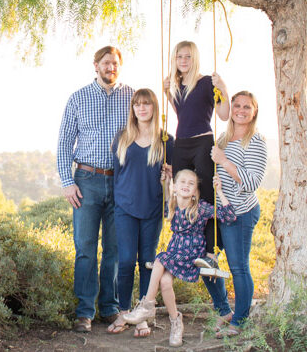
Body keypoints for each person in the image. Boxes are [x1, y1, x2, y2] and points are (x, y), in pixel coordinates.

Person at [57, 46, 134, 333]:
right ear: (96, 65)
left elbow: (147, 133)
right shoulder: (78, 98)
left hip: (121, 181)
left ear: (119, 66)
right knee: (85, 248)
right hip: (86, 180)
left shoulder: (131, 97)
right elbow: (64, 143)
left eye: (115, 63)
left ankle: (110, 308)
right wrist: (67, 182)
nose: (110, 67)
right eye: (105, 63)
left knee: (115, 248)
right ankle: (85, 312)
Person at [119, 169, 236, 347]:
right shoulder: (172, 205)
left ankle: (147, 305)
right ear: (175, 186)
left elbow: (229, 216)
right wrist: (166, 183)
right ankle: (176, 323)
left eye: (191, 183)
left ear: (196, 192)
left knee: (159, 260)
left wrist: (219, 191)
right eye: (182, 182)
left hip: (190, 255)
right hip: (175, 253)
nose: (186, 186)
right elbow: (167, 195)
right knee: (165, 282)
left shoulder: (201, 208)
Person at [106, 88, 173, 338]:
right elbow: (116, 175)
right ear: (132, 109)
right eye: (137, 104)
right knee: (124, 262)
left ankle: (141, 316)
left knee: (146, 263)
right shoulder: (122, 137)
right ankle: (124, 312)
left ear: (154, 107)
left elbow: (171, 180)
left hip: (152, 209)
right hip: (124, 208)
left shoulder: (166, 140)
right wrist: (116, 204)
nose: (141, 108)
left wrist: (169, 177)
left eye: (146, 104)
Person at [163, 40, 230, 271]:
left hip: (202, 142)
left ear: (195, 59)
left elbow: (223, 114)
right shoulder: (173, 85)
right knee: (181, 196)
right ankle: (182, 248)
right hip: (181, 144)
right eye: (179, 57)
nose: (183, 61)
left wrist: (222, 88)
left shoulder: (205, 83)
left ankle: (212, 253)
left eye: (188, 57)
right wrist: (167, 90)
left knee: (206, 197)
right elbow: (183, 114)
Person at [210, 91, 267, 338]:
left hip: (241, 212)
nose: (241, 110)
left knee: (238, 267)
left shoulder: (256, 141)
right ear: (230, 108)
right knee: (205, 260)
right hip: (220, 211)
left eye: (247, 107)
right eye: (236, 105)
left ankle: (240, 319)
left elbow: (252, 181)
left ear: (254, 111)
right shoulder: (224, 137)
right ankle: (224, 310)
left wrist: (223, 162)